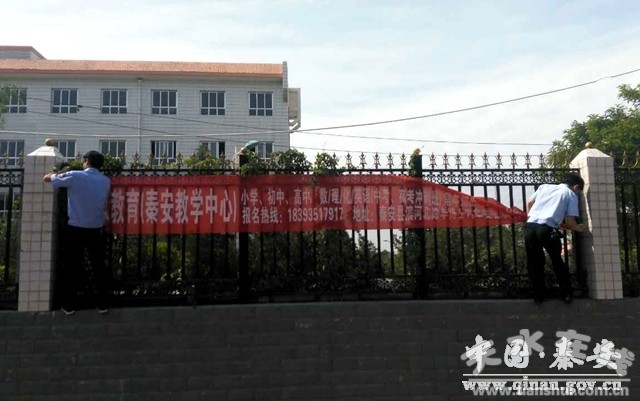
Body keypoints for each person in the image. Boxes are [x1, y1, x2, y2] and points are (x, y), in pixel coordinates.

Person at [44, 151, 111, 315]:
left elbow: (47, 178)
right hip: (96, 229)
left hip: (76, 228)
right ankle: (102, 304)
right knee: (98, 267)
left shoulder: (75, 176)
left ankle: (69, 305)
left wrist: (60, 172)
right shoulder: (105, 181)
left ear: (86, 161)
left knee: (72, 266)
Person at [524, 173, 586, 305]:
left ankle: (538, 296)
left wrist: (531, 217)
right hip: (546, 229)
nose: (578, 194)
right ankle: (566, 294)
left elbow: (529, 202)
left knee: (535, 263)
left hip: (530, 227)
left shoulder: (544, 187)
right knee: (557, 261)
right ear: (576, 187)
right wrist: (578, 228)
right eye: (579, 191)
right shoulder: (570, 194)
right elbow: (570, 221)